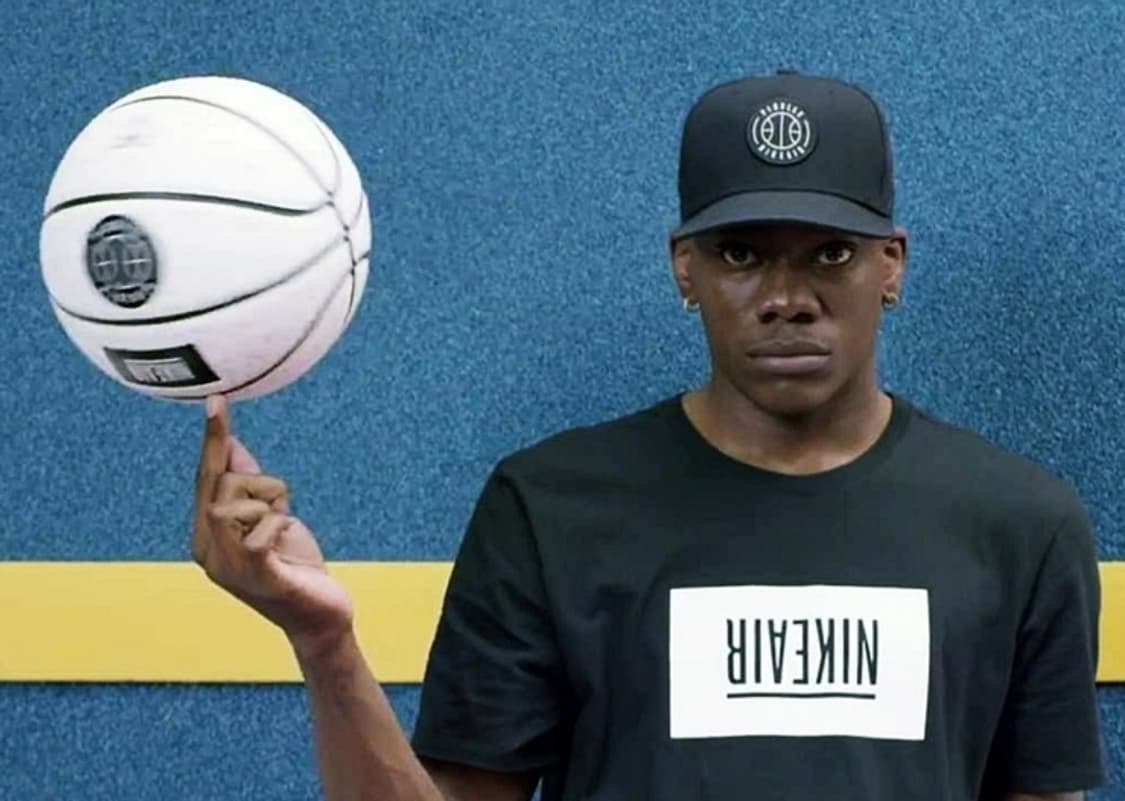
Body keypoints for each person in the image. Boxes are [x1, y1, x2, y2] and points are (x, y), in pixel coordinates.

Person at [190, 70, 1106, 801]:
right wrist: (323, 642)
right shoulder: (550, 508)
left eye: (830, 253)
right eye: (741, 254)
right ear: (684, 269)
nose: (786, 297)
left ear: (891, 266)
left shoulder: (1019, 523)